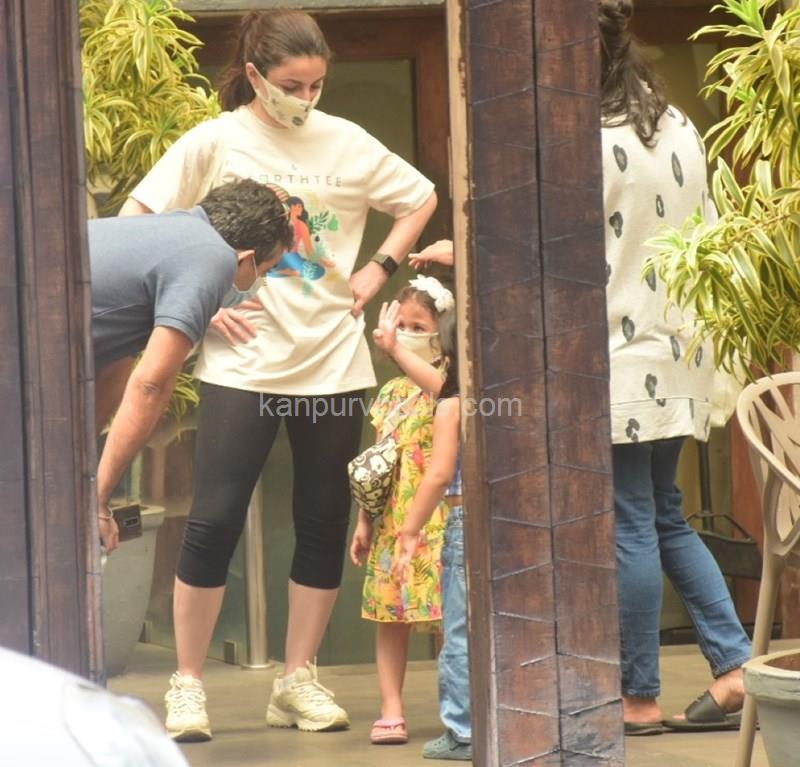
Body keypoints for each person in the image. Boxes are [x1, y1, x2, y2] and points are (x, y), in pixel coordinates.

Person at [119, 9, 437, 742]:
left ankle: (297, 678)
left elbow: (419, 195)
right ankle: (188, 683)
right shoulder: (216, 140)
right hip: (244, 363)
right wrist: (198, 307)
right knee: (215, 517)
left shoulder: (347, 141)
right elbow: (140, 222)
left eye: (317, 85)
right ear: (255, 76)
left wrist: (379, 268)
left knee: (323, 521)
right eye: (292, 85)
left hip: (333, 362)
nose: (306, 98)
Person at [600, 0, 750, 735]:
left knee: (630, 518)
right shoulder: (677, 123)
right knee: (663, 512)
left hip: (617, 352)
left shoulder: (586, 136)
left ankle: (638, 695)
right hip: (681, 348)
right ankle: (734, 667)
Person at [92, 179, 291, 553]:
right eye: (266, 270)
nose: (260, 283)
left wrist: (83, 481)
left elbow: (115, 371)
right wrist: (98, 502)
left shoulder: (170, 230)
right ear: (246, 258)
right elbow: (151, 384)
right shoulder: (213, 258)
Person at [349, 276, 455, 746]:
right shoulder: (391, 393)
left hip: (441, 520)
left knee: (450, 616)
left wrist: (395, 348)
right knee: (391, 616)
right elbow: (379, 463)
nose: (409, 333)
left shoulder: (453, 379)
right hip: (394, 520)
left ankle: (459, 707)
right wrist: (364, 519)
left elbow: (443, 389)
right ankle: (391, 707)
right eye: (403, 325)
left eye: (419, 326)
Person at [389, 286, 471, 761]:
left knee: (457, 633)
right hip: (503, 524)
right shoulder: (498, 403)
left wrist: (409, 531)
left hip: (463, 523)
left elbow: (439, 475)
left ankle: (463, 730)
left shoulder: (450, 405)